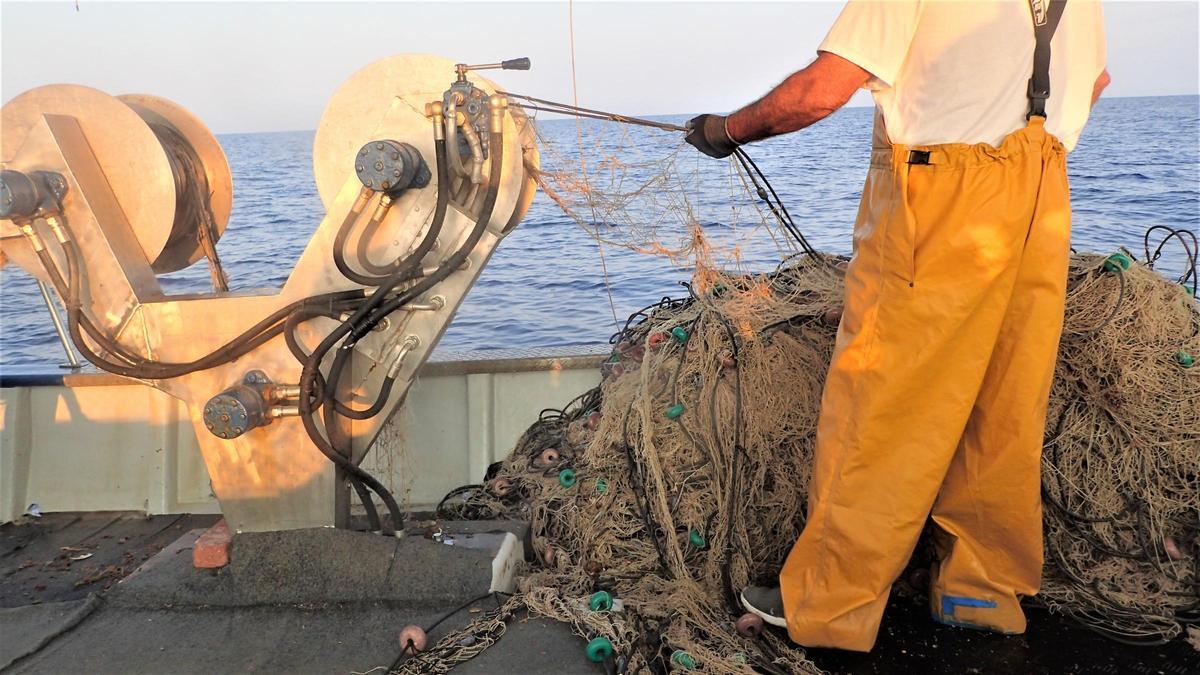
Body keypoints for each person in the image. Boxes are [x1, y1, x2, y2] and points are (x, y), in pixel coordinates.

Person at [685, 0, 1109, 652]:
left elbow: (819, 92)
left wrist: (725, 129)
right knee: (1004, 401)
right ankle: (982, 589)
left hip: (941, 194)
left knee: (880, 404)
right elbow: (1096, 82)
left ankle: (828, 604)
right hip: (1042, 191)